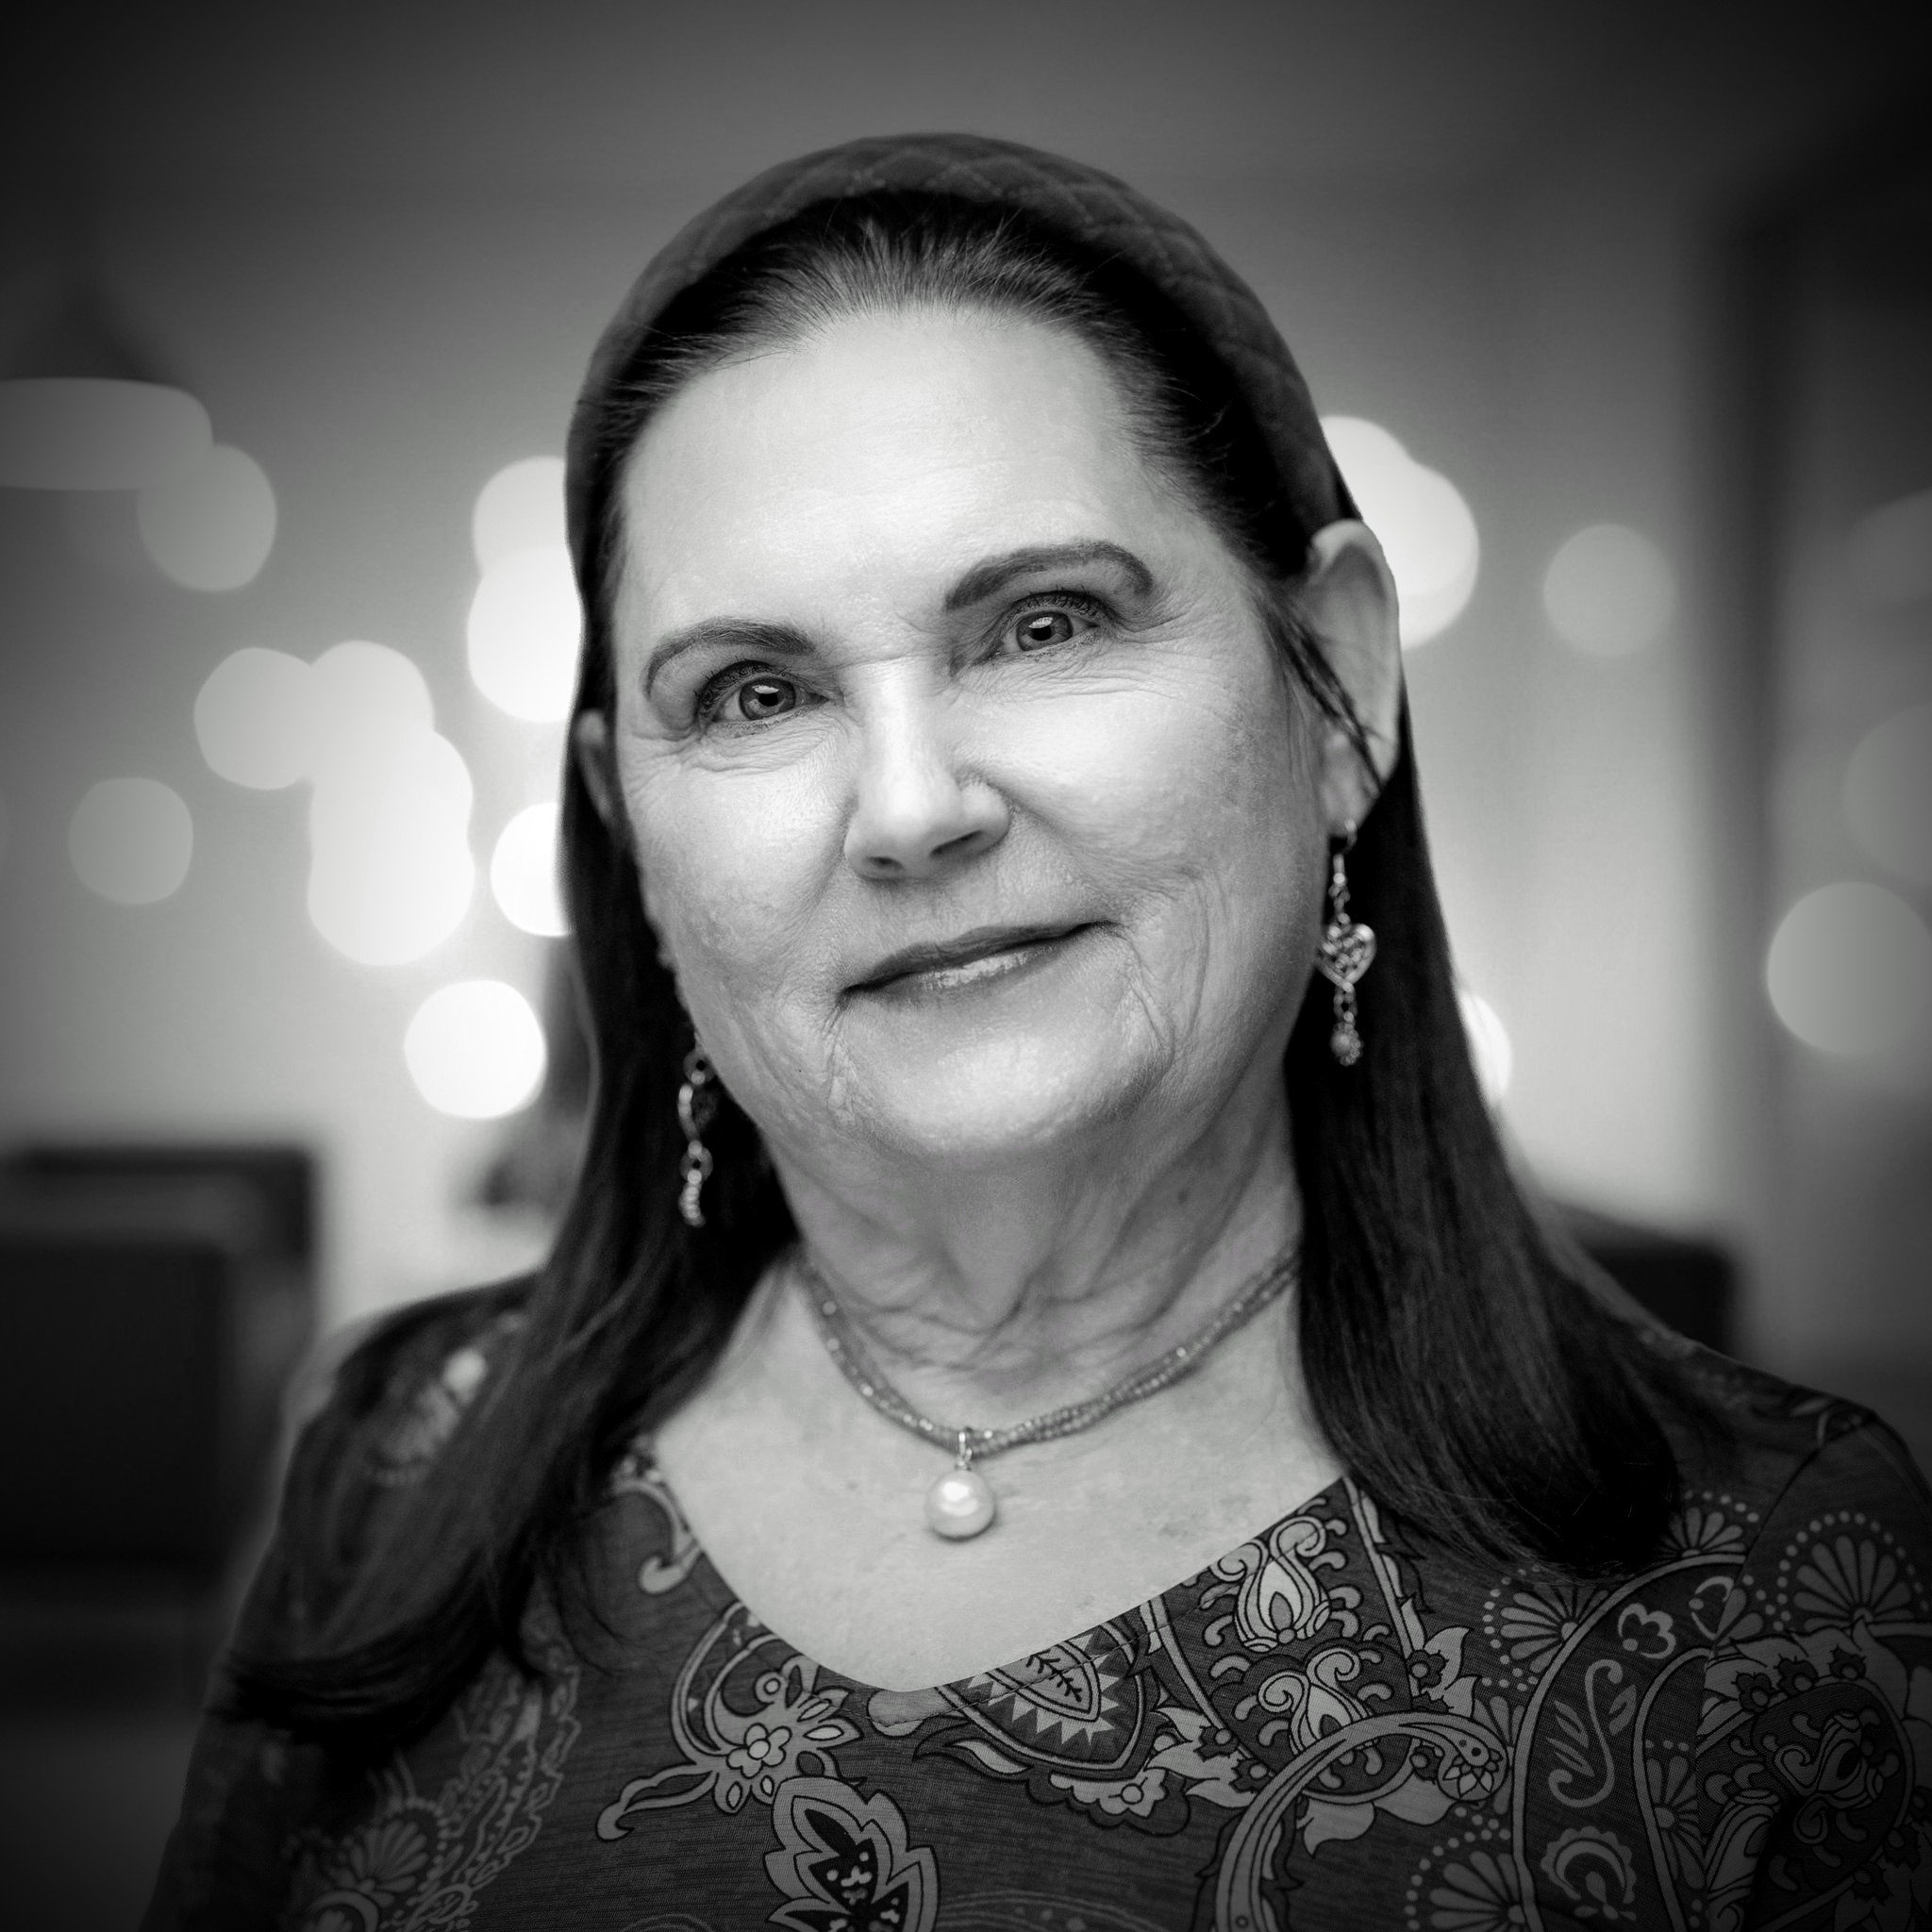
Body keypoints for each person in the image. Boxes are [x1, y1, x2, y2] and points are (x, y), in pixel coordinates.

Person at [146, 134, 1932, 1931]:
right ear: (629, 827)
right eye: (755, 693)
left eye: (1045, 622)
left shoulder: (1790, 1593)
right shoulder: (403, 1457)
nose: (913, 808)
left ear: (1342, 683)